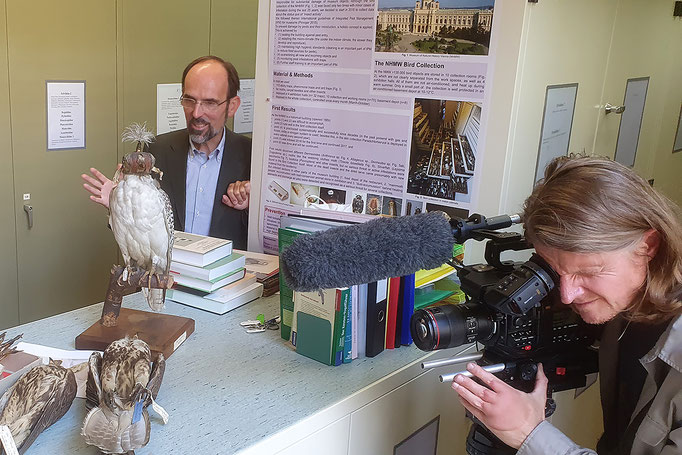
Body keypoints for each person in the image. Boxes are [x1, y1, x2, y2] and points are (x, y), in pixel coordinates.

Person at [452, 155, 682, 454]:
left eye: (588, 272)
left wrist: (529, 433)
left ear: (648, 246)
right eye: (554, 271)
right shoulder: (630, 297)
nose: (567, 296)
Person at [82, 56, 252, 249]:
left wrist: (254, 208)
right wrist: (121, 208)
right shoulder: (156, 151)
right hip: (167, 276)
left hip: (225, 277)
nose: (196, 113)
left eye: (209, 103)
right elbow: (141, 234)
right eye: (189, 100)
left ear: (232, 106)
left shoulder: (252, 159)